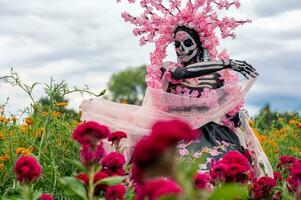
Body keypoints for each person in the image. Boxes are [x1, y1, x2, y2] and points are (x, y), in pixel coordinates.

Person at [80, 0, 273, 177]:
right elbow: (183, 73)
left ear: (200, 45)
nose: (181, 48)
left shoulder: (217, 77)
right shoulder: (169, 69)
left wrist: (239, 118)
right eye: (177, 44)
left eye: (187, 43)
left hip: (212, 136)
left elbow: (229, 115)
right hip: (173, 135)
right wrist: (226, 63)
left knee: (225, 173)